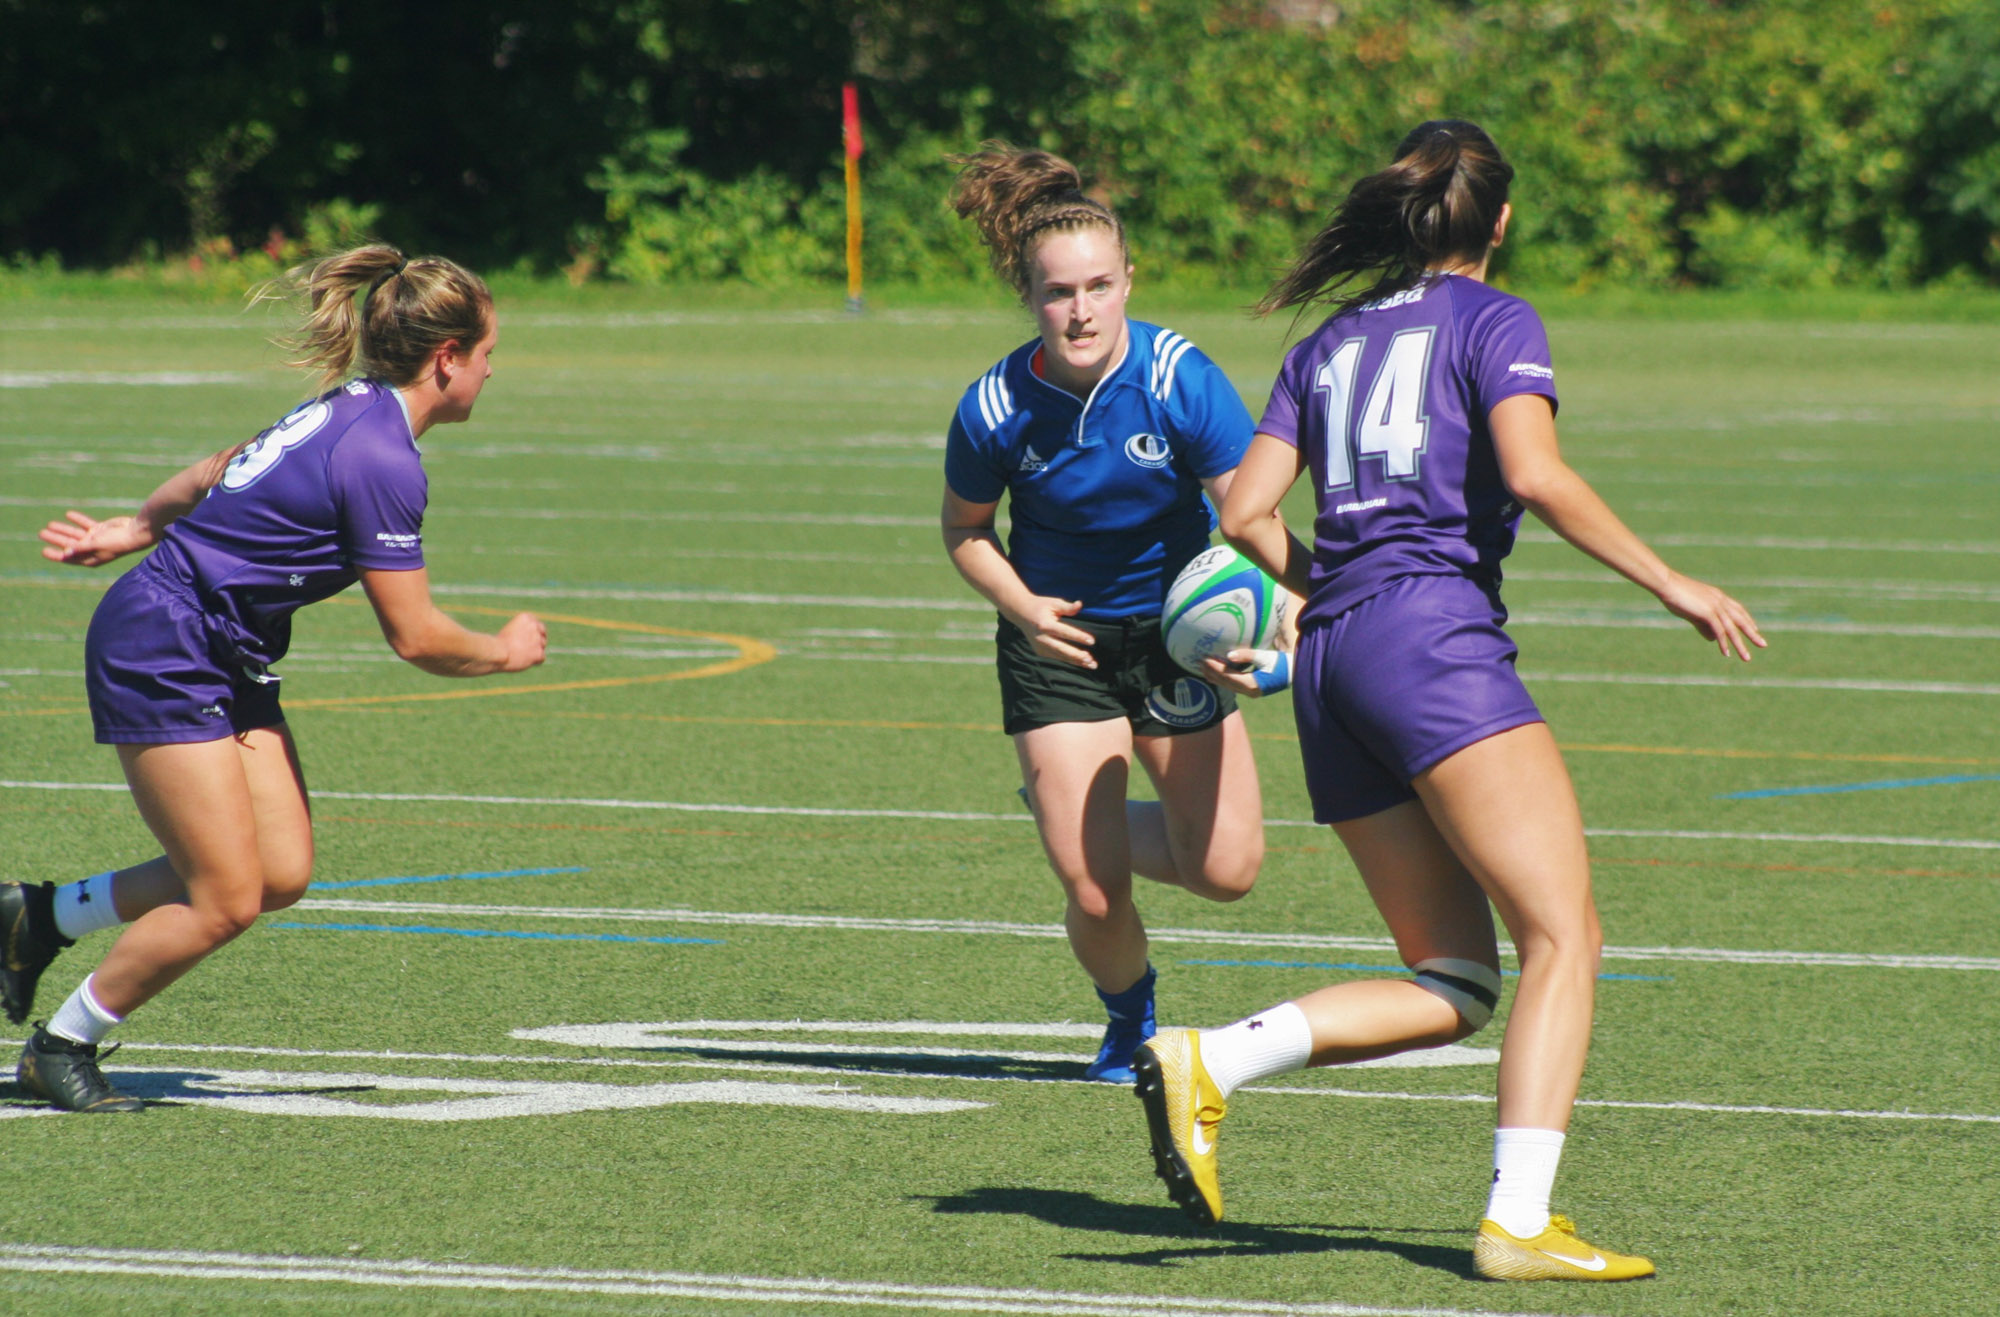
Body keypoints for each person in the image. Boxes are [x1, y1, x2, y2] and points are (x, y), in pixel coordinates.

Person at [1130, 121, 1765, 1280]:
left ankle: (1211, 1060)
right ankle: (1515, 1224)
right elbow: (1532, 473)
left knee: (1456, 981)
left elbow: (1243, 517)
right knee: (1562, 936)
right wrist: (1673, 581)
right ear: (1500, 221)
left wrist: (1336, 590)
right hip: (1432, 642)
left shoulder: (1325, 344)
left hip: (1331, 658)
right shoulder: (1494, 320)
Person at [4, 245, 548, 1112]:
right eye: (488, 354)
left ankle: (43, 917)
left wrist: (141, 521)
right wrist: (506, 650)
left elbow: (226, 462)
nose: (491, 371)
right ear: (447, 359)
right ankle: (62, 1042)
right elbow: (414, 636)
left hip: (221, 645)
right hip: (165, 640)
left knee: (280, 869)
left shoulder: (352, 405)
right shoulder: (385, 461)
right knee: (226, 898)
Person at [940, 145, 1296, 1084]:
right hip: (1061, 644)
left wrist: (1288, 614)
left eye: (1101, 285)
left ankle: (1066, 809)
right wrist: (1021, 604)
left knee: (1227, 871)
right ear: (1030, 296)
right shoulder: (993, 406)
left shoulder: (1179, 377)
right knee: (1095, 888)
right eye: (1060, 291)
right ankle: (1127, 1017)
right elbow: (966, 531)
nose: (1083, 308)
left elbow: (1245, 511)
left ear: (1129, 281)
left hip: (1184, 636)